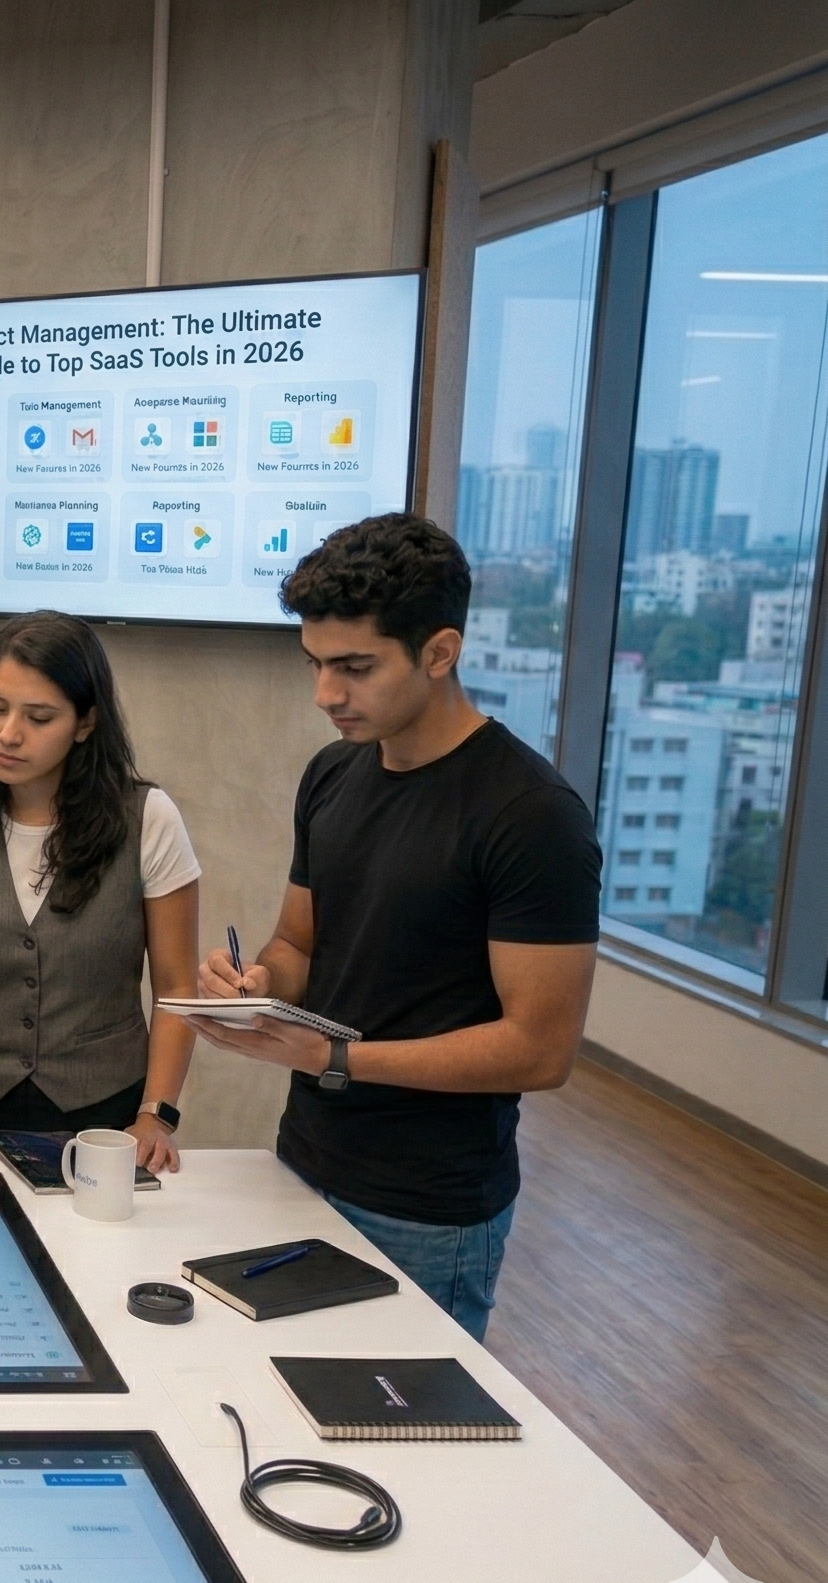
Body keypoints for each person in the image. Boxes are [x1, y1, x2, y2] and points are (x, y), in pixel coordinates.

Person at [191, 512, 600, 1341]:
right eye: (314, 664)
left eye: (354, 667)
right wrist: (257, 987)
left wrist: (337, 1058)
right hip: (304, 1157)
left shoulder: (530, 815)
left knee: (409, 1440)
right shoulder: (334, 772)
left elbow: (540, 1050)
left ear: (439, 652)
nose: (325, 694)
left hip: (430, 1203)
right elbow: (298, 945)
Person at [0, 612, 201, 1177]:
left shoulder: (148, 820)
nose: (8, 733)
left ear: (85, 722)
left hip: (105, 1112)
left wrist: (155, 1117)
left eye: (38, 717)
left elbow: (176, 989)